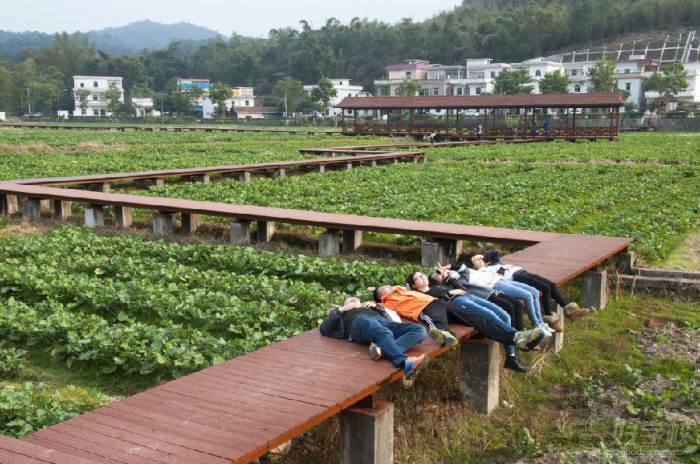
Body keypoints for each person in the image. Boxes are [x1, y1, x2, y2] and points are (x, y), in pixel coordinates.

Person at [407, 272, 530, 373]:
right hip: (459, 303)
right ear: (414, 285)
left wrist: (448, 278)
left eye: (422, 274)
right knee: (489, 315)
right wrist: (450, 292)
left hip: (468, 297)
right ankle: (516, 341)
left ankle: (513, 349)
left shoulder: (436, 286)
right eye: (418, 277)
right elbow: (433, 303)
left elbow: (459, 286)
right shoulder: (420, 296)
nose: (423, 276)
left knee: (503, 315)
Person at [373, 285, 547, 354]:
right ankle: (444, 334)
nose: (388, 286)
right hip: (424, 309)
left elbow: (399, 286)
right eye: (384, 288)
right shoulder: (387, 302)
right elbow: (383, 311)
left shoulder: (401, 291)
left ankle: (516, 337)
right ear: (381, 295)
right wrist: (372, 302)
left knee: (477, 318)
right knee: (436, 320)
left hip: (438, 302)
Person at [319, 297, 428, 387]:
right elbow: (324, 329)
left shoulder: (370, 308)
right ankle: (404, 363)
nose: (352, 300)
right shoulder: (342, 313)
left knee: (420, 330)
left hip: (382, 322)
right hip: (358, 324)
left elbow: (389, 320)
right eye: (348, 300)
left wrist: (376, 307)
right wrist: (342, 309)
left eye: (355, 299)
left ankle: (382, 351)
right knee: (382, 331)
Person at [436, 258, 554, 336]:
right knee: (527, 296)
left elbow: (461, 267)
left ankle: (541, 323)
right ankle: (536, 326)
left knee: (533, 291)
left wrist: (448, 266)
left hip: (500, 279)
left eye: (481, 259)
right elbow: (458, 281)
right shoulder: (460, 278)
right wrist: (447, 275)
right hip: (495, 285)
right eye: (477, 259)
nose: (480, 261)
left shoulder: (474, 270)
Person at [477, 250, 591, 323]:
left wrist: (485, 258)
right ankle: (548, 315)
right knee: (545, 288)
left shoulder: (499, 263)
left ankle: (569, 309)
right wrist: (481, 265)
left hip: (522, 272)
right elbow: (491, 277)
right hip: (515, 277)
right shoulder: (484, 270)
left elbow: (494, 254)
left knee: (550, 285)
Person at [430, 265, 525, 331]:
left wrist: (449, 267)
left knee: (508, 311)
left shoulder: (456, 279)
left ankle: (517, 335)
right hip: (482, 296)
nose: (440, 273)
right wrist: (447, 279)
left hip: (487, 292)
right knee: (499, 311)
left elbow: (464, 269)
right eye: (437, 274)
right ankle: (516, 336)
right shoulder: (442, 287)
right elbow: (456, 291)